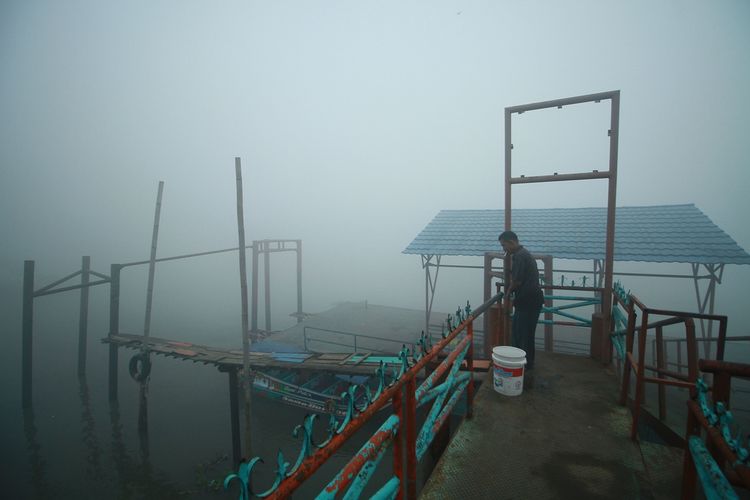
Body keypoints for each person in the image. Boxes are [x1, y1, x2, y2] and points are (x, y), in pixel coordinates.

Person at [499, 230, 544, 370]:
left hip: (527, 301)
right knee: (526, 333)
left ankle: (523, 365)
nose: (504, 249)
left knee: (522, 334)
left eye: (504, 245)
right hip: (532, 300)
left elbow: (517, 281)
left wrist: (507, 293)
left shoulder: (518, 257)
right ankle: (526, 363)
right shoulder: (525, 254)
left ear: (511, 242)